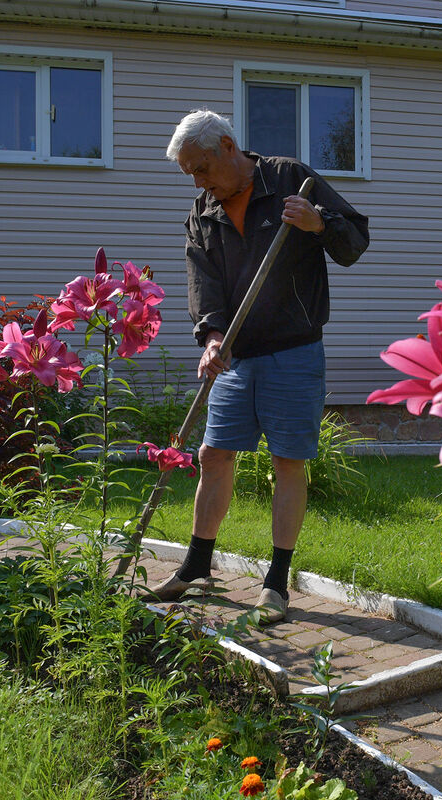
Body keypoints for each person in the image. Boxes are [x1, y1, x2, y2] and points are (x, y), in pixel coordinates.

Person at [145, 109, 369, 623]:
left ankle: (276, 583)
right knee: (213, 455)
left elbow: (355, 241)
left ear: (227, 146)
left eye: (201, 169)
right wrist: (212, 336)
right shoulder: (203, 212)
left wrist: (319, 223)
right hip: (237, 354)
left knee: (287, 462)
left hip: (293, 350)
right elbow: (202, 283)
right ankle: (197, 565)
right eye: (191, 175)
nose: (199, 183)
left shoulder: (290, 178)